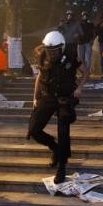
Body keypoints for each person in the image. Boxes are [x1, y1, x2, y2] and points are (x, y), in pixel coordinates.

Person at [28, 31, 88, 184]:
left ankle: (62, 166)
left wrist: (79, 87)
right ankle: (54, 147)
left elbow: (85, 72)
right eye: (49, 50)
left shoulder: (72, 55)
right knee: (34, 129)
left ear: (61, 48)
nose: (51, 54)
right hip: (47, 96)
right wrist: (35, 97)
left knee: (63, 130)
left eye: (54, 50)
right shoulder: (42, 56)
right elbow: (40, 77)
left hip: (65, 97)